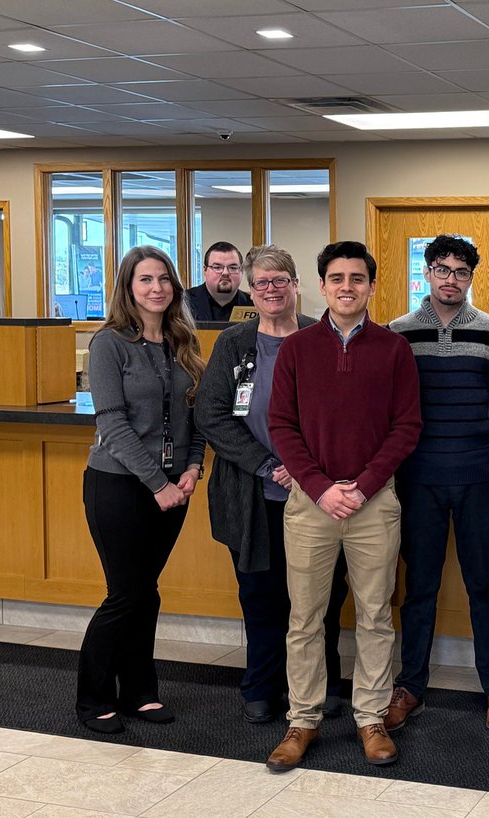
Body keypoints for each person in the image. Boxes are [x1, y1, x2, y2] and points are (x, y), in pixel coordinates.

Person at [264, 240, 421, 771]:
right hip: (311, 503)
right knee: (305, 617)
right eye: (337, 278)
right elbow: (280, 425)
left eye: (358, 278)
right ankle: (302, 721)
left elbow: (407, 426)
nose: (347, 286)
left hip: (374, 503)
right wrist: (320, 486)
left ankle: (371, 718)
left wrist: (366, 483)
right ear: (323, 285)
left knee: (376, 615)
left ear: (372, 287)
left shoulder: (394, 349)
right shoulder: (297, 348)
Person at [194, 244, 350, 725]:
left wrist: (307, 471)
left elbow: (344, 416)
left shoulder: (323, 338)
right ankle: (261, 685)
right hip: (254, 496)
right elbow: (211, 415)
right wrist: (267, 464)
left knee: (321, 600)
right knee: (262, 597)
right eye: (260, 282)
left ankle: (318, 687)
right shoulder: (234, 343)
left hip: (318, 496)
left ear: (298, 285)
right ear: (250, 288)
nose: (271, 290)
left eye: (280, 280)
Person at [386, 235, 489, 733]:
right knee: (419, 586)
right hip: (418, 478)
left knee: (484, 584)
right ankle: (410, 684)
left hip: (481, 477)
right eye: (441, 269)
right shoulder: (398, 334)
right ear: (427, 272)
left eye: (460, 272)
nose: (450, 279)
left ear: (470, 278)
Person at [77, 245, 206, 734]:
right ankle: (92, 699)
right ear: (128, 289)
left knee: (145, 594)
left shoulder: (181, 340)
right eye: (145, 280)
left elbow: (195, 417)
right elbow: (111, 422)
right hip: (117, 484)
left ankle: (138, 692)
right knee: (126, 593)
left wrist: (193, 468)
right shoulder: (109, 343)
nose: (157, 288)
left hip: (174, 488)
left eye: (164, 279)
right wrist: (157, 483)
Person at [185, 241, 252, 322]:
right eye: (217, 267)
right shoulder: (183, 303)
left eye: (233, 268)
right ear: (205, 270)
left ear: (241, 271)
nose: (225, 273)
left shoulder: (253, 305)